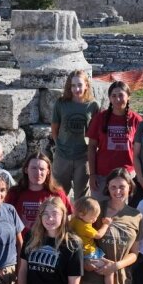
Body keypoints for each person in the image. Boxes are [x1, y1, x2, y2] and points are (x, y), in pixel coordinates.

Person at [76, 169, 143, 284]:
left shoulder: (136, 215)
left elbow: (135, 253)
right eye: (113, 187)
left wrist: (116, 266)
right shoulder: (96, 208)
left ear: (130, 187)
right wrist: (85, 262)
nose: (117, 191)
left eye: (122, 187)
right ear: (107, 188)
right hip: (93, 277)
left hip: (120, 279)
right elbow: (76, 234)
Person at [50, 69, 99, 200]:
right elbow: (54, 128)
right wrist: (58, 145)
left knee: (81, 197)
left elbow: (96, 132)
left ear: (86, 86)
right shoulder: (61, 103)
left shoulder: (93, 105)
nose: (76, 89)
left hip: (83, 157)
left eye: (79, 85)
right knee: (58, 195)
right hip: (62, 156)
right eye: (73, 85)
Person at [87, 81, 143, 196]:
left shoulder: (136, 120)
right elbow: (91, 147)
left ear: (128, 97)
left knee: (123, 207)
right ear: (109, 98)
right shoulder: (100, 118)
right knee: (99, 207)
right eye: (114, 96)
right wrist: (92, 175)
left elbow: (141, 150)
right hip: (102, 176)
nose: (117, 99)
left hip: (127, 176)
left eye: (121, 95)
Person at [69, 196, 121, 284]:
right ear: (81, 214)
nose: (95, 220)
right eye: (93, 217)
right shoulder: (84, 227)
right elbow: (98, 235)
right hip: (89, 255)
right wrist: (106, 224)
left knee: (111, 264)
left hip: (86, 252)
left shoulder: (74, 220)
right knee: (110, 268)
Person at [6, 153, 72, 237]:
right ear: (26, 170)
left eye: (42, 169)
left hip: (48, 241)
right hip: (21, 241)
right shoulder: (14, 193)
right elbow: (6, 219)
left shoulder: (57, 194)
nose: (38, 173)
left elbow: (67, 218)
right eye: (33, 168)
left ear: (48, 171)